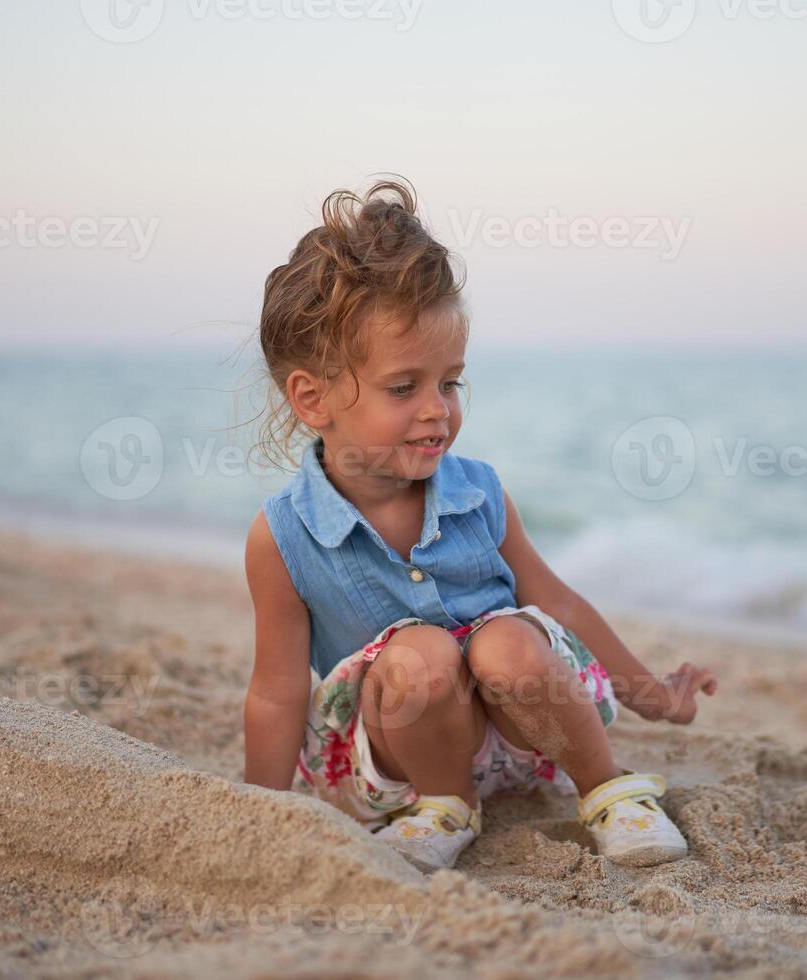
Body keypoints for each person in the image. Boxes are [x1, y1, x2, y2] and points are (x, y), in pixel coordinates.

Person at [242, 176, 717, 873]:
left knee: (504, 643)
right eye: (405, 388)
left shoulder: (479, 494)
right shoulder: (284, 537)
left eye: (451, 382)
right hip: (402, 758)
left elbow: (557, 603)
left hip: (529, 735)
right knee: (418, 658)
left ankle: (606, 787)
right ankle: (446, 807)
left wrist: (652, 695)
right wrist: (257, 813)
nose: (438, 408)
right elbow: (277, 689)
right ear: (313, 398)